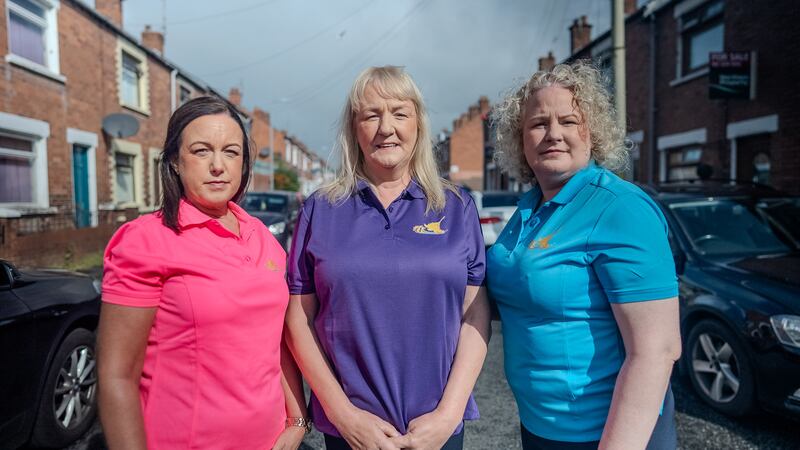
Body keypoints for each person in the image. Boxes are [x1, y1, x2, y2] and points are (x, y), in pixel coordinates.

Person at [284, 66, 491, 450]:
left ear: (418, 124)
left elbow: (475, 315)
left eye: (399, 112)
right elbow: (299, 318)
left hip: (435, 430)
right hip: (351, 432)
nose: (386, 128)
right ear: (354, 128)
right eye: (371, 115)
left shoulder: (456, 206)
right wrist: (343, 414)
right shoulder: (321, 208)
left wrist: (448, 415)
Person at [486, 61, 682, 450]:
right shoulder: (528, 212)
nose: (553, 134)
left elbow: (657, 351)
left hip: (607, 434)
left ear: (591, 133)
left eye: (569, 121)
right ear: (519, 139)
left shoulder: (620, 208)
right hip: (541, 427)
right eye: (538, 124)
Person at [97, 96, 308, 450]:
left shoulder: (264, 239)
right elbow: (116, 376)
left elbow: (277, 344)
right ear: (176, 162)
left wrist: (297, 420)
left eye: (230, 152)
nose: (217, 165)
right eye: (201, 151)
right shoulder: (146, 241)